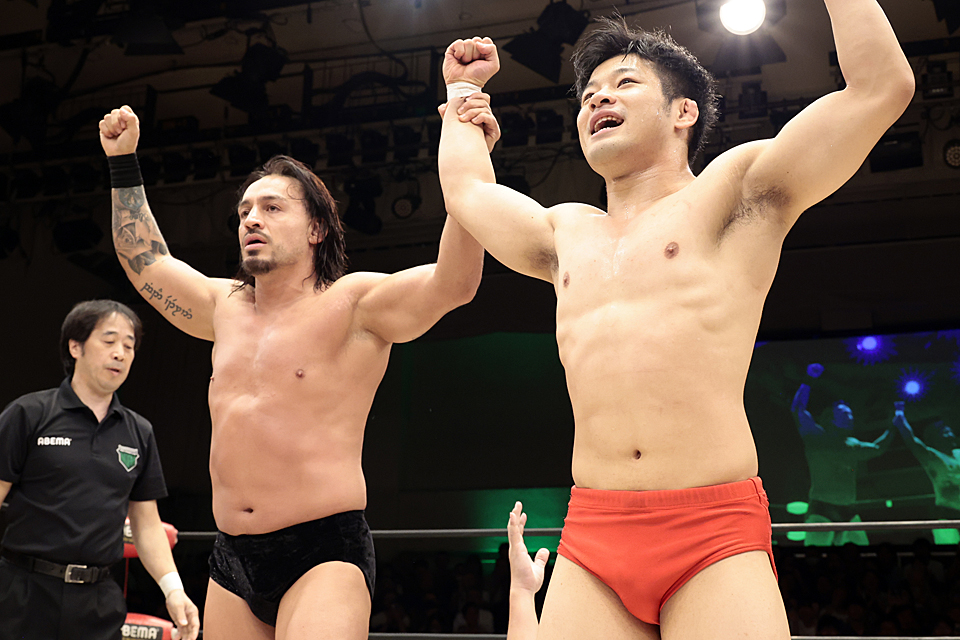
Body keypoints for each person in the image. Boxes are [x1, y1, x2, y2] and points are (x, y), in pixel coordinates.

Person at [438, 0, 914, 635]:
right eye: (589, 93)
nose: (598, 98)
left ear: (683, 112)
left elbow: (880, 89)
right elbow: (468, 192)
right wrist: (462, 95)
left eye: (624, 83)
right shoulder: (564, 232)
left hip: (712, 530)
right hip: (594, 531)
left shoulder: (734, 192)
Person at [98, 97, 499, 639]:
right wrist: (123, 161)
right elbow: (145, 261)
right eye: (245, 210)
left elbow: (455, 283)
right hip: (230, 556)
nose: (251, 219)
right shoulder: (223, 307)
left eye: (272, 208)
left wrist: (469, 159)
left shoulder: (353, 304)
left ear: (316, 229)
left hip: (322, 551)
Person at [0, 299, 200, 640]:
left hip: (97, 601)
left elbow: (146, 523)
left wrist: (174, 590)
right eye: (109, 341)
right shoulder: (28, 414)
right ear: (75, 347)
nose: (120, 353)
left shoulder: (139, 431)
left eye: (129, 346)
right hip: (23, 592)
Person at [790, 363, 892, 546]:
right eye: (845, 413)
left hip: (849, 510)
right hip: (822, 508)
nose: (850, 416)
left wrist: (895, 424)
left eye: (850, 414)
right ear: (832, 417)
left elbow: (878, 448)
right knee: (815, 555)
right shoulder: (817, 438)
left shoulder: (853, 445)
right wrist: (809, 379)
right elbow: (798, 409)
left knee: (863, 553)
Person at [893, 401, 960, 512]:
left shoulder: (958, 453)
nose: (949, 433)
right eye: (944, 432)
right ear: (935, 438)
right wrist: (900, 417)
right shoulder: (933, 457)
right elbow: (912, 442)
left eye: (949, 430)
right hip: (947, 510)